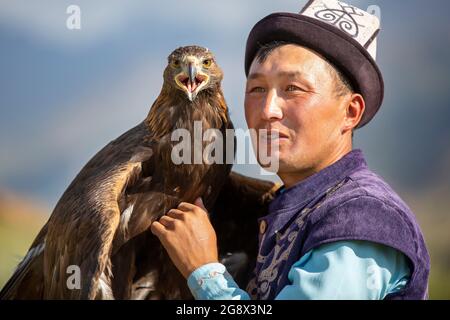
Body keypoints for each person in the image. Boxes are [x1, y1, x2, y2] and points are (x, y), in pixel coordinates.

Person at [150, 0, 430, 300]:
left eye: (293, 89)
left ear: (350, 112)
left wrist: (203, 271)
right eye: (257, 90)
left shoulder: (363, 219)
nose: (268, 110)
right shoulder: (294, 208)